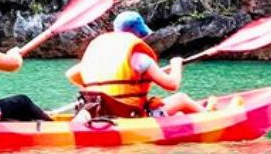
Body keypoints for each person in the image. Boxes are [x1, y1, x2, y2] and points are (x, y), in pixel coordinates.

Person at [65, 11, 206, 118]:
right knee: (181, 99)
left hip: (99, 111)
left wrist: (98, 85)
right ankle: (213, 118)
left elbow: (70, 74)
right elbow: (172, 85)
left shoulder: (99, 54)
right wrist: (176, 64)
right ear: (138, 32)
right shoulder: (140, 58)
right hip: (131, 114)